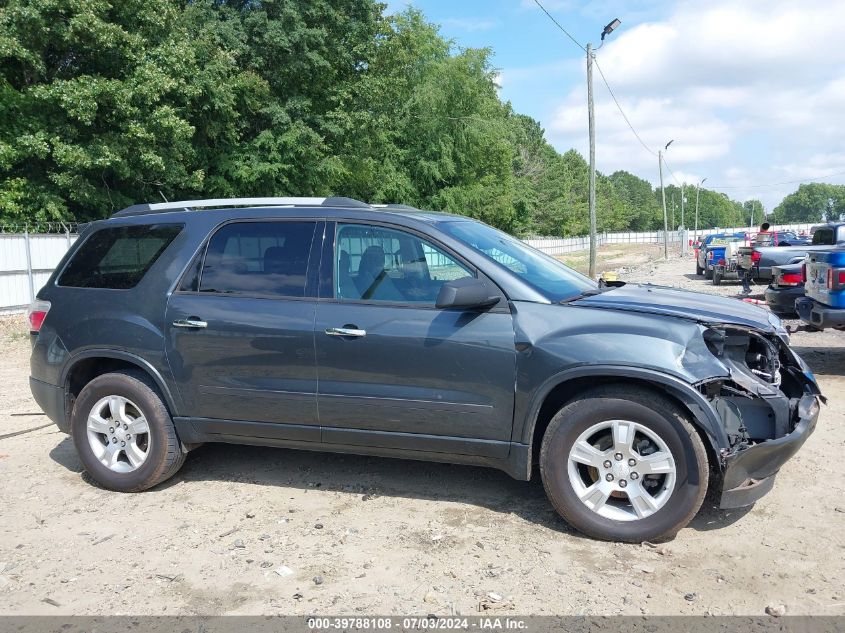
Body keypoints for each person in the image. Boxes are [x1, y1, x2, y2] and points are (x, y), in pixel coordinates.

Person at [739, 222, 770, 295]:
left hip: (756, 257)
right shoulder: (769, 235)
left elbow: (757, 245)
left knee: (743, 272)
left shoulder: (760, 235)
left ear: (762, 228)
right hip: (763, 255)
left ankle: (746, 288)